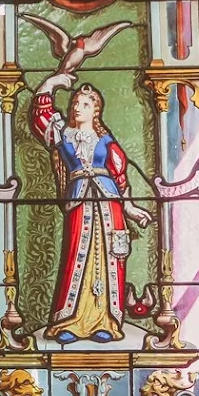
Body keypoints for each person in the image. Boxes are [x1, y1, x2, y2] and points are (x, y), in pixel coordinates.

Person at [29, 75, 144, 344]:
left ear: (96, 111)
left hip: (109, 202)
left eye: (84, 104)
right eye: (75, 104)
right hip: (79, 200)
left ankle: (106, 321)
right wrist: (54, 82)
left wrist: (130, 209)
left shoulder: (107, 142)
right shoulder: (63, 135)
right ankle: (70, 320)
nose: (77, 108)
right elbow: (41, 115)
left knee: (110, 258)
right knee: (76, 255)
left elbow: (120, 176)